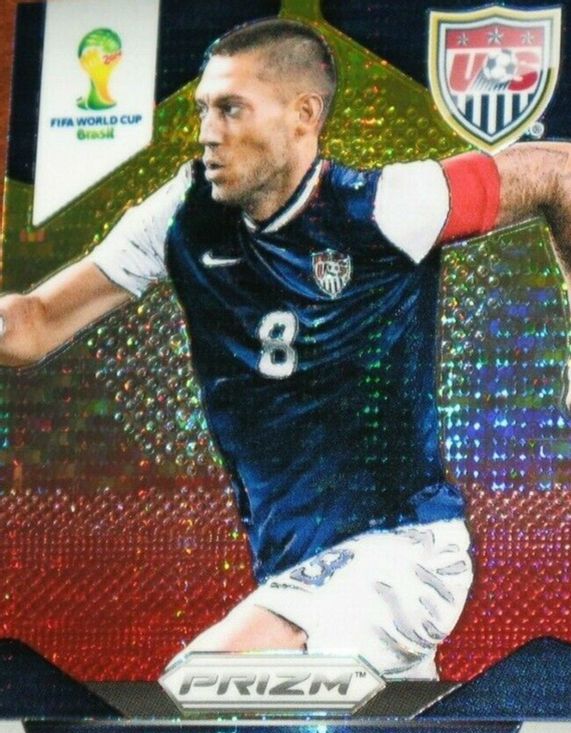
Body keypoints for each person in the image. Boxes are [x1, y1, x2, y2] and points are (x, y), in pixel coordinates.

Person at [1, 19, 570, 680]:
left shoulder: (382, 209)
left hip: (401, 555)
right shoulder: (184, 215)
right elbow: (33, 324)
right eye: (202, 109)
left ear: (303, 115)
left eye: (231, 109)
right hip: (304, 577)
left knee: (201, 685)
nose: (207, 132)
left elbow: (555, 172)